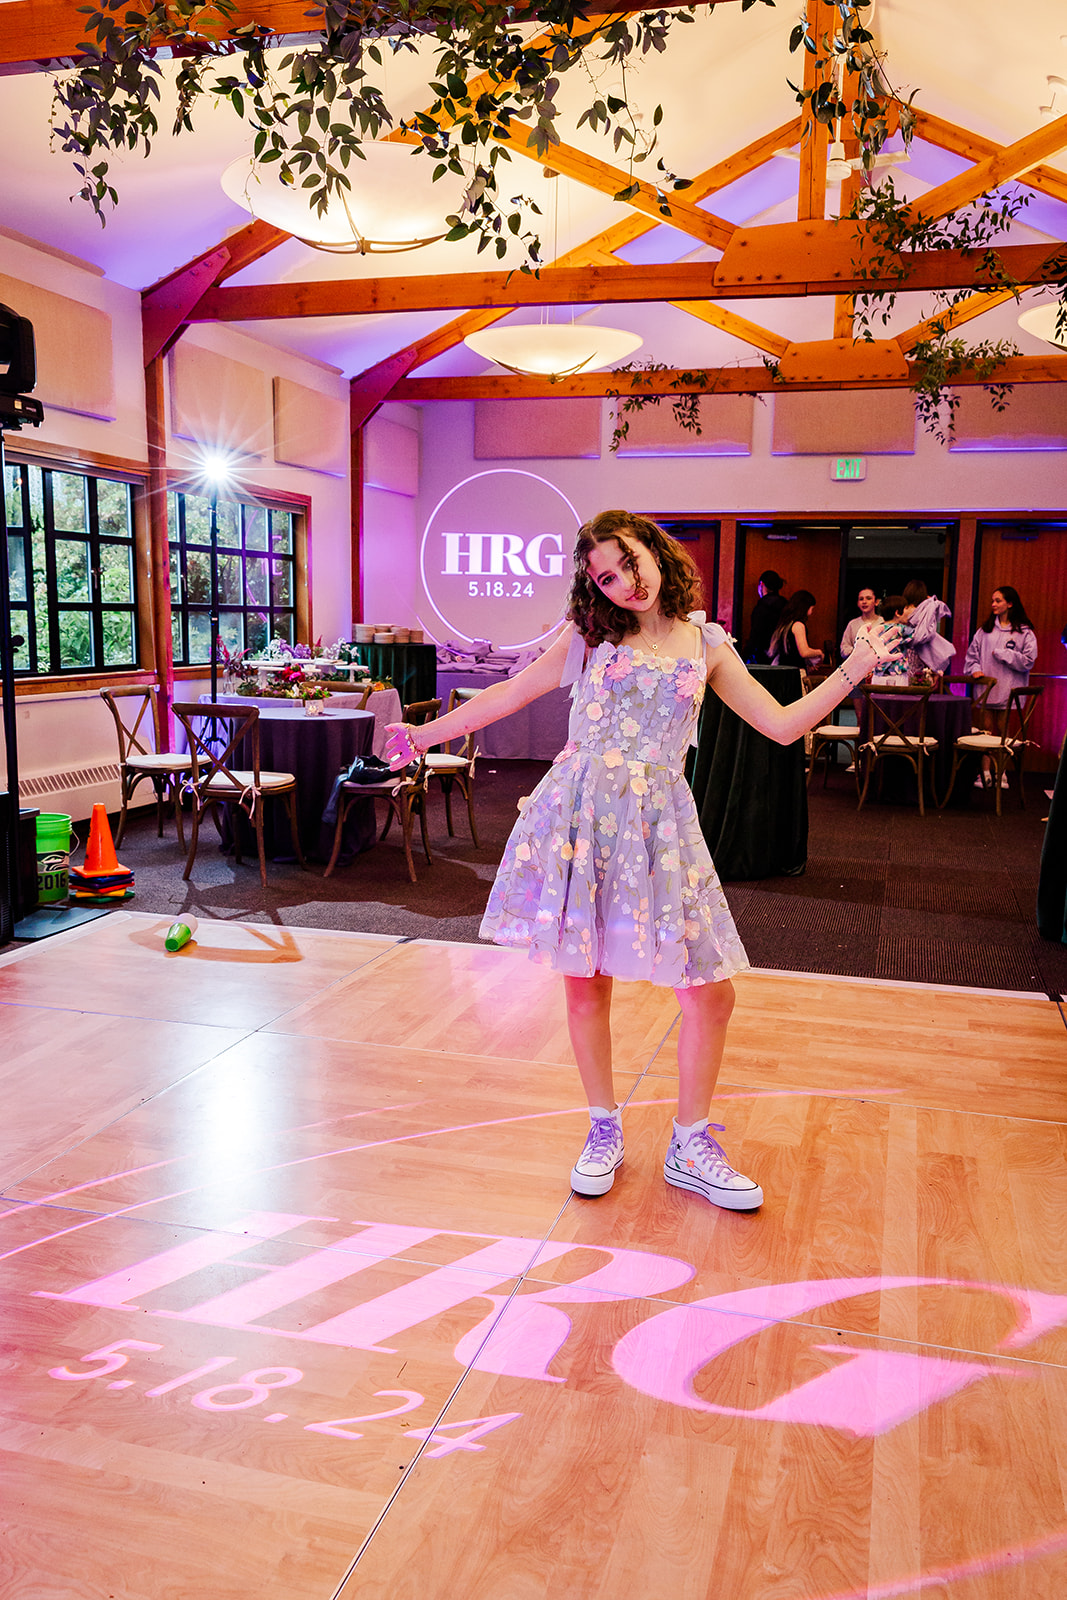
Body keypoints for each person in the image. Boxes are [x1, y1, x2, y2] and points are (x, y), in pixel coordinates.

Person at [385, 510, 900, 1214]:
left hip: (660, 822)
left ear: (655, 552)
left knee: (710, 992)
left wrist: (853, 670)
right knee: (583, 983)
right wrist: (423, 735)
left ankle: (689, 1143)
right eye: (603, 575)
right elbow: (510, 693)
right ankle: (602, 1128)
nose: (623, 582)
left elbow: (781, 727)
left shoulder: (706, 643)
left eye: (629, 561)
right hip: (582, 815)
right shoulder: (590, 635)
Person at [964, 585, 1038, 787]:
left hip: (1009, 689)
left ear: (1010, 603)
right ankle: (985, 772)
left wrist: (1007, 655)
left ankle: (1001, 773)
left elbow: (1029, 660)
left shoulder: (1024, 632)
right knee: (986, 732)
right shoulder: (985, 630)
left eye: (998, 601)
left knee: (1003, 732)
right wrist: (975, 669)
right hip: (987, 689)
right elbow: (972, 655)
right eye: (992, 601)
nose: (993, 604)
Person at [901, 579, 955, 677]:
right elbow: (930, 632)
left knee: (907, 677)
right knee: (921, 679)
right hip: (923, 652)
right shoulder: (927, 611)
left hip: (908, 650)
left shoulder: (904, 611)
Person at [768, 589, 823, 671]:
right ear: (805, 607)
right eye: (812, 608)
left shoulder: (785, 624)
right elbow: (804, 652)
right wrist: (819, 652)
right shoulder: (798, 625)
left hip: (783, 669)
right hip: (794, 672)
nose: (812, 612)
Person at [745, 570, 787, 664]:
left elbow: (755, 634)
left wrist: (744, 656)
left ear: (762, 584)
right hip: (782, 654)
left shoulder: (762, 607)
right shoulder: (786, 605)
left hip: (763, 655)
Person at [840, 586, 880, 658]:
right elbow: (844, 649)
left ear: (876, 602)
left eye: (868, 598)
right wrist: (858, 651)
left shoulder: (883, 623)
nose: (864, 602)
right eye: (861, 599)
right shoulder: (852, 624)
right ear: (858, 603)